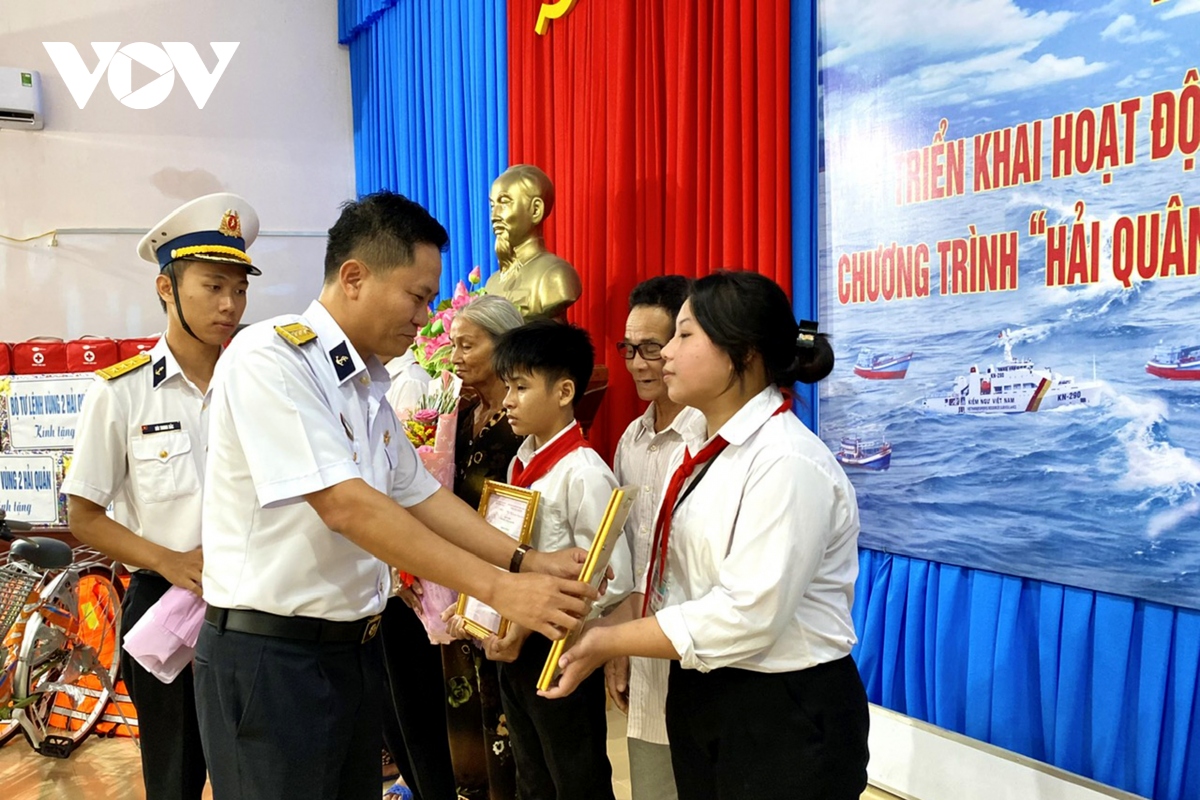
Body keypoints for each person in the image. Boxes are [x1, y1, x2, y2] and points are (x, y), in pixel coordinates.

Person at [193, 191, 597, 800]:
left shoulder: (365, 385)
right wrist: (501, 588)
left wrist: (525, 560)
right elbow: (346, 506)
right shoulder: (272, 358)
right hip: (272, 660)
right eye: (417, 296)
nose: (424, 316)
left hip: (349, 653)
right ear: (354, 277)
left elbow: (422, 497)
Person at [542, 271, 871, 800]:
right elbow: (676, 578)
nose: (665, 354)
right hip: (704, 690)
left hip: (781, 708)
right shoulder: (706, 450)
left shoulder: (786, 461)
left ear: (744, 353)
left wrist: (608, 640)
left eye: (684, 335)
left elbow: (748, 614)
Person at [63, 193, 260, 800]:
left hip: (254, 600)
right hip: (167, 601)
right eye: (213, 287)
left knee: (255, 770)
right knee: (174, 774)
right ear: (166, 288)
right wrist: (168, 561)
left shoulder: (256, 384)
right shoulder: (120, 393)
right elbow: (83, 515)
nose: (230, 305)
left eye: (239, 289)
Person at [470, 319, 633, 800]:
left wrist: (530, 625)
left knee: (575, 773)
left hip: (559, 646)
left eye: (521, 387)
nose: (508, 400)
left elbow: (609, 577)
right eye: (507, 387)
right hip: (514, 641)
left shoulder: (583, 472)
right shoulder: (520, 461)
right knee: (532, 774)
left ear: (564, 392)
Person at [608, 275, 702, 800]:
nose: (639, 364)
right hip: (642, 655)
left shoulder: (707, 440)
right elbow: (624, 557)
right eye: (629, 349)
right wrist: (618, 644)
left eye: (652, 348)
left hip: (697, 655)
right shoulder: (631, 440)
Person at [444, 294, 527, 800]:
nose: (455, 357)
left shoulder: (522, 427)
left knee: (506, 725)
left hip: (504, 591)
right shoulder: (462, 413)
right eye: (452, 345)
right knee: (464, 715)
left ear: (504, 345)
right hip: (455, 587)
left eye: (467, 345)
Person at [484, 165, 582, 321]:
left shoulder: (555, 274)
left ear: (536, 210)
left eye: (504, 203)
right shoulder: (492, 283)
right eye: (492, 206)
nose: (494, 216)